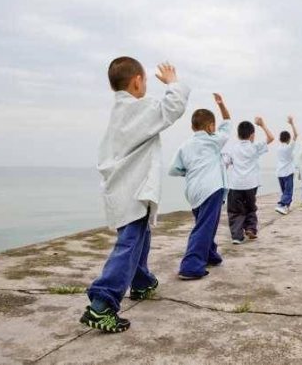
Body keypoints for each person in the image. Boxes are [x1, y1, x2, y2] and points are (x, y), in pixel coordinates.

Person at [81, 58, 190, 333]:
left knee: (139, 238)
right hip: (132, 191)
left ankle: (142, 283)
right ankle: (102, 303)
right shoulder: (137, 109)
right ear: (138, 82)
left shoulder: (120, 112)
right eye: (146, 81)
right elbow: (172, 108)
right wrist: (173, 83)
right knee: (130, 244)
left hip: (123, 192)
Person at [168, 93, 231, 280]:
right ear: (211, 127)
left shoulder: (185, 145)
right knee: (204, 227)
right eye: (213, 126)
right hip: (211, 189)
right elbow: (227, 123)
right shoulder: (214, 140)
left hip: (193, 191)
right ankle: (191, 266)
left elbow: (174, 169)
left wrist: (188, 172)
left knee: (204, 223)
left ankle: (211, 255)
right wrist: (221, 105)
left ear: (192, 127)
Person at [226, 117, 274, 244]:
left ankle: (237, 236)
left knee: (235, 211)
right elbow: (271, 138)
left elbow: (225, 163)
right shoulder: (255, 147)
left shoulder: (232, 148)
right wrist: (262, 124)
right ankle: (250, 228)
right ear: (252, 135)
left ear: (238, 135)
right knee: (250, 208)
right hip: (251, 184)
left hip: (235, 184)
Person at [275, 116, 298, 215]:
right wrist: (292, 123)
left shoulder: (278, 148)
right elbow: (296, 135)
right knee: (288, 191)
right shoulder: (288, 148)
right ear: (288, 139)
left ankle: (286, 207)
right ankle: (282, 205)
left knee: (284, 191)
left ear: (280, 139)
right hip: (288, 172)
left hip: (279, 173)